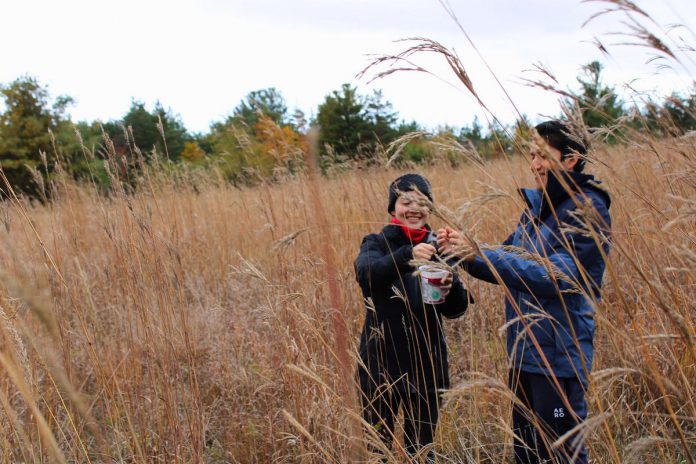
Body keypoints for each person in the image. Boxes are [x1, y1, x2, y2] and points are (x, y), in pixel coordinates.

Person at [438, 120, 611, 463]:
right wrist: (463, 252)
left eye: (542, 155)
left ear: (571, 159)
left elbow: (559, 276)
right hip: (524, 355)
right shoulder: (535, 211)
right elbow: (505, 261)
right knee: (527, 452)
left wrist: (480, 252)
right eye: (531, 155)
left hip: (558, 360)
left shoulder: (587, 209)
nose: (534, 164)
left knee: (562, 453)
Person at [355, 173, 472, 461]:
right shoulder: (377, 242)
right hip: (380, 366)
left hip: (427, 367)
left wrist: (451, 287)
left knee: (422, 452)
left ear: (430, 208)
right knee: (376, 451)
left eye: (422, 202)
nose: (414, 209)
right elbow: (366, 275)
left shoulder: (439, 247)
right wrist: (409, 254)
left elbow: (456, 310)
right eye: (406, 202)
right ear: (393, 209)